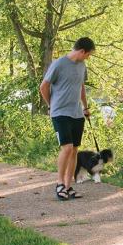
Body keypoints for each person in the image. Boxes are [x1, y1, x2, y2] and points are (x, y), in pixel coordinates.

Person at [41, 37, 95, 200]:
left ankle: (68, 186)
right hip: (59, 112)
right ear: (81, 51)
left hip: (77, 113)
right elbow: (43, 86)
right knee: (67, 147)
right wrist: (51, 105)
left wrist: (85, 107)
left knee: (74, 150)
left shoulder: (82, 65)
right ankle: (59, 184)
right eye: (88, 55)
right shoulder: (59, 64)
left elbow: (81, 87)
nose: (88, 58)